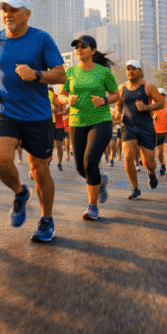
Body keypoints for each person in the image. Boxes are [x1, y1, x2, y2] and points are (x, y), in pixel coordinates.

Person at [0, 0, 65, 242]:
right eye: (4, 9)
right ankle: (20, 194)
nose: (8, 14)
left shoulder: (41, 39)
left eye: (14, 9)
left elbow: (60, 75)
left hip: (37, 115)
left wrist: (36, 74)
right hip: (4, 111)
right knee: (0, 159)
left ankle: (46, 220)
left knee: (39, 170)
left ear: (27, 14)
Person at [61, 35, 119, 221]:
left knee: (89, 161)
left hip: (100, 120)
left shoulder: (103, 72)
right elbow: (61, 95)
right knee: (80, 168)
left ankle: (92, 206)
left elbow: (116, 95)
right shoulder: (70, 72)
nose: (79, 49)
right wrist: (66, 100)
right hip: (77, 122)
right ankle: (100, 181)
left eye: (83, 46)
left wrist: (104, 100)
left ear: (93, 51)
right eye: (76, 47)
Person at [112, 60, 165, 200]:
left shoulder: (148, 86)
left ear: (140, 71)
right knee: (128, 156)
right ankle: (135, 188)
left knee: (149, 162)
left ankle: (151, 173)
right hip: (128, 126)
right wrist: (117, 112)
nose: (131, 71)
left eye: (134, 69)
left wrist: (147, 107)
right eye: (128, 69)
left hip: (145, 127)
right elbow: (119, 105)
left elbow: (161, 103)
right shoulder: (121, 87)